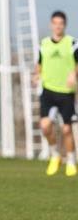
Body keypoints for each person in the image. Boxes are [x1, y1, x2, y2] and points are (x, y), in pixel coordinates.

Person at [34, 11, 78, 177]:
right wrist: (36, 74)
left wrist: (74, 73)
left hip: (66, 92)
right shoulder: (44, 44)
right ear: (51, 24)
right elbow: (39, 64)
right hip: (48, 91)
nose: (58, 26)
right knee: (45, 126)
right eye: (55, 23)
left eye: (61, 23)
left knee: (66, 129)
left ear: (64, 25)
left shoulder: (72, 43)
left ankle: (71, 160)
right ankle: (55, 155)